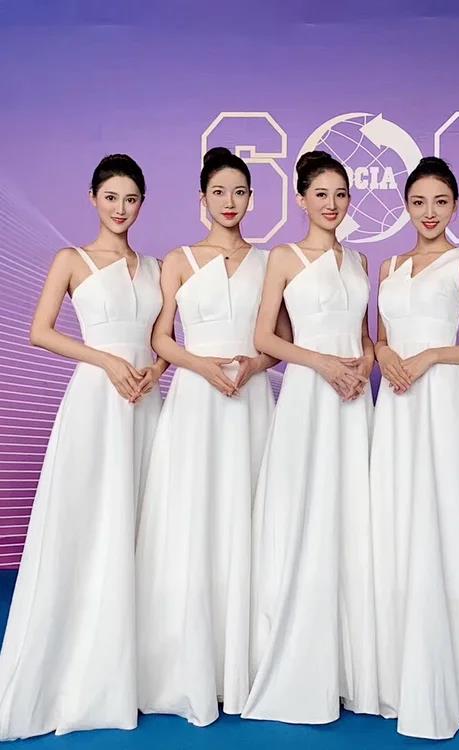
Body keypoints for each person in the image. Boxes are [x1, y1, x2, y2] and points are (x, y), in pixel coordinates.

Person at [0, 154, 164, 739]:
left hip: (145, 400)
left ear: (142, 204)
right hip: (96, 401)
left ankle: (139, 664)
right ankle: (78, 663)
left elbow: (164, 339)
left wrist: (154, 370)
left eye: (131, 199)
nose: (121, 209)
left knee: (143, 522)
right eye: (111, 197)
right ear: (93, 198)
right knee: (90, 519)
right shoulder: (70, 259)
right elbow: (39, 331)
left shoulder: (155, 267)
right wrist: (107, 362)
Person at [136, 147, 282, 726]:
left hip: (249, 399)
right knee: (194, 515)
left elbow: (279, 340)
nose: (230, 202)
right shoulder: (177, 260)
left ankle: (246, 661)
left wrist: (251, 365)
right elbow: (161, 337)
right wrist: (201, 367)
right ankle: (188, 661)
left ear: (252, 199)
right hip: (197, 400)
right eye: (219, 192)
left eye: (239, 192)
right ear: (203, 198)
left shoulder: (269, 261)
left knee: (250, 514)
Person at [241, 151, 378, 724]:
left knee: (353, 513)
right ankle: (299, 654)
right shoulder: (283, 257)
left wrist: (365, 364)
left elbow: (366, 335)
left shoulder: (361, 260)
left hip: (354, 398)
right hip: (308, 394)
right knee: (306, 510)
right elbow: (265, 338)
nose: (332, 204)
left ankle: (353, 664)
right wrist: (322, 364)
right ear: (301, 199)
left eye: (341, 194)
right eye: (321, 193)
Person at [370, 156, 459, 740]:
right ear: (405, 205)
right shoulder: (388, 265)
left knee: (445, 521)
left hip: (443, 400)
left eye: (440, 203)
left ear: (455, 206)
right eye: (419, 202)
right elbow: (379, 336)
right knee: (398, 520)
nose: (429, 213)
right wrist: (384, 353)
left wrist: (432, 356)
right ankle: (400, 667)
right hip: (397, 405)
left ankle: (449, 664)